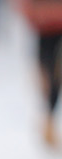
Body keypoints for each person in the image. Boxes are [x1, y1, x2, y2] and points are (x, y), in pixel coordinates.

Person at [21, 0, 62, 147]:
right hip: (44, 27)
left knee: (53, 75)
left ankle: (49, 121)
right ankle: (48, 121)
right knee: (47, 75)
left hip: (52, 26)